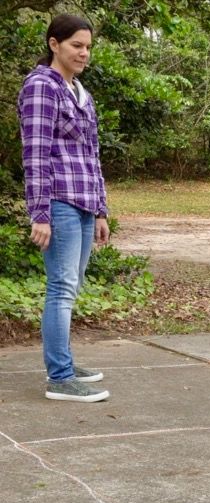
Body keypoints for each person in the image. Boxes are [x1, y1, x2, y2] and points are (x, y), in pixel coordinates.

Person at [18, 14, 110, 403]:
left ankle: (66, 363)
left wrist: (101, 209)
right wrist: (39, 212)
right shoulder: (42, 87)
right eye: (76, 45)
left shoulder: (79, 90)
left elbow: (92, 153)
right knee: (61, 287)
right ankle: (59, 377)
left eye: (87, 46)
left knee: (70, 287)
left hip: (84, 202)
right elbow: (35, 153)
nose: (83, 53)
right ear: (54, 44)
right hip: (58, 201)